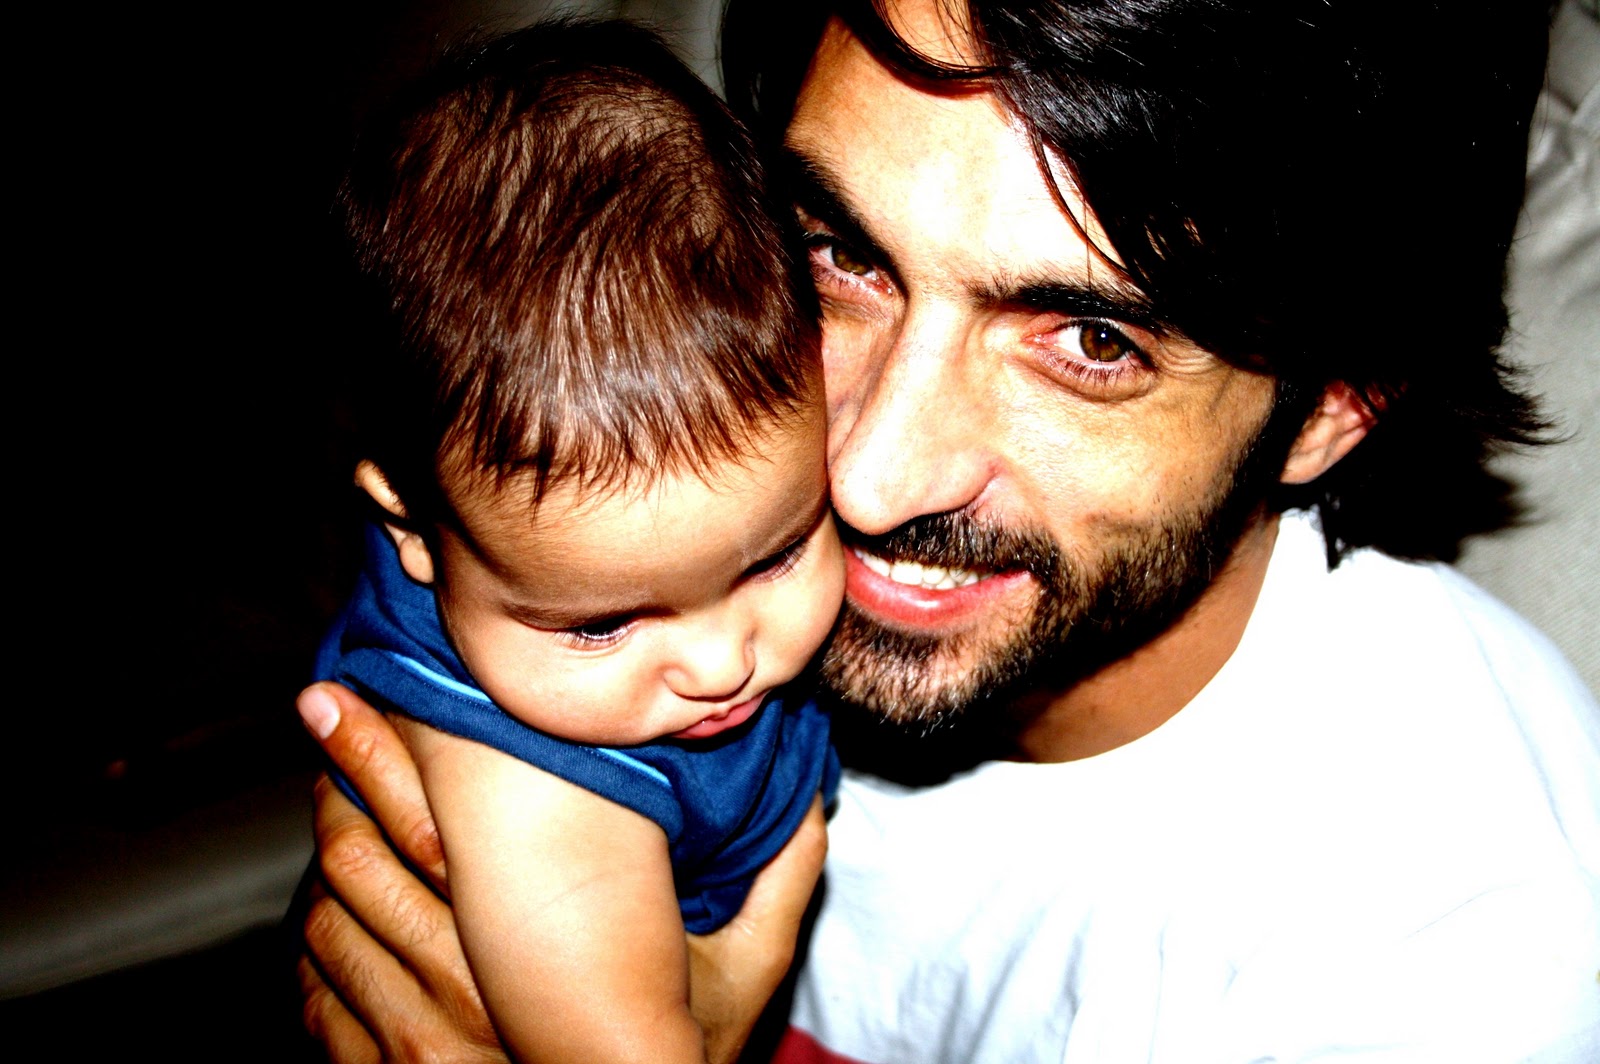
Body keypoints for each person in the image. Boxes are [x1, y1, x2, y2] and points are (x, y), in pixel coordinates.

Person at [297, 1, 1600, 1061]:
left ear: (1331, 405)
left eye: (1091, 341)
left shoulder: (1448, 970)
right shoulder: (624, 528)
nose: (866, 480)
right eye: (839, 254)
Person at [311, 20, 844, 1063]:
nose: (720, 663)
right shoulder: (530, 785)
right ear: (414, 528)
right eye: (601, 626)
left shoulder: (542, 552)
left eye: (776, 555)